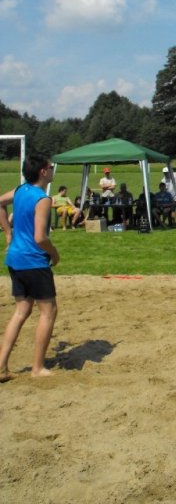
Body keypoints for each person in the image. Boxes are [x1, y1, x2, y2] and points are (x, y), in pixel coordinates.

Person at [0, 152, 60, 381]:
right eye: (51, 166)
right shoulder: (42, 198)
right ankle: (37, 368)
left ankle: (2, 366)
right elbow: (40, 238)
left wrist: (8, 234)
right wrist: (55, 254)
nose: (53, 169)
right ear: (43, 171)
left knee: (21, 311)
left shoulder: (19, 191)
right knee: (48, 311)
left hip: (14, 259)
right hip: (33, 261)